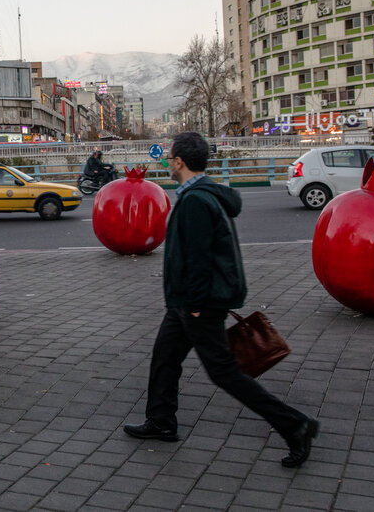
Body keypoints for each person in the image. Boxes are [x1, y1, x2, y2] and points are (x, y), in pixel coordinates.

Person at [124, 131, 318, 468]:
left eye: (170, 158)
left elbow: (199, 258)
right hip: (185, 302)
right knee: (165, 357)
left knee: (224, 373)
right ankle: (161, 421)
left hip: (196, 303)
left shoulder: (197, 200)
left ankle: (295, 425)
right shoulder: (202, 194)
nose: (168, 163)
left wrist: (196, 306)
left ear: (180, 162)